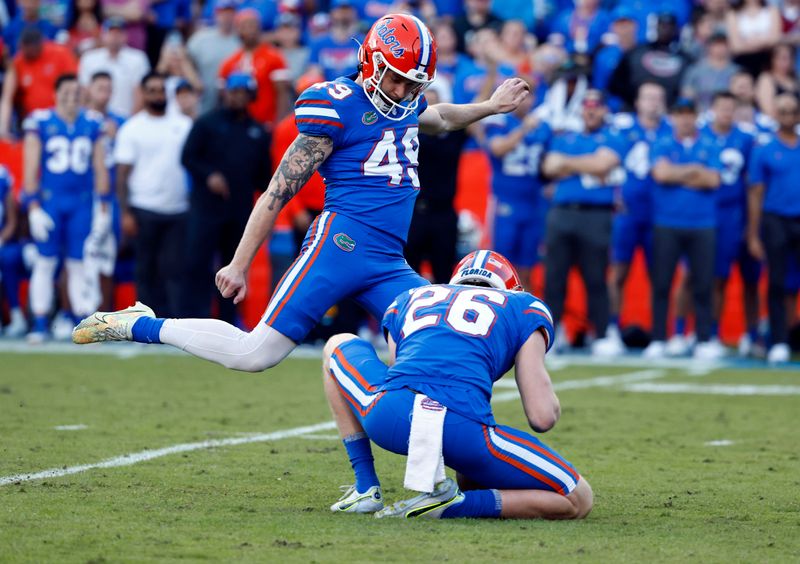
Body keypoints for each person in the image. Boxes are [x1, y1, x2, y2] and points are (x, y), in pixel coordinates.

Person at [73, 14, 530, 376]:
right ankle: (140, 323)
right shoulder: (337, 104)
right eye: (397, 80)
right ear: (371, 64)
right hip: (339, 246)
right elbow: (277, 191)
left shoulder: (406, 102)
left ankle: (397, 465)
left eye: (414, 83)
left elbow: (441, 118)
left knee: (435, 341)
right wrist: (239, 262)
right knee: (255, 354)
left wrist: (490, 106)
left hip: (389, 260)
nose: (405, 91)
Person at [321, 250, 593, 519]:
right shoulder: (524, 306)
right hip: (461, 430)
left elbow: (400, 368)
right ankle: (455, 505)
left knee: (337, 344)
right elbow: (541, 416)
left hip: (388, 418)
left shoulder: (409, 299)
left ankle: (366, 487)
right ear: (510, 288)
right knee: (578, 498)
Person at [21, 73, 111, 342]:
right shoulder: (41, 121)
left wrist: (104, 207)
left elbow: (100, 167)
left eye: (75, 91)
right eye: (66, 91)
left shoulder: (92, 123)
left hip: (81, 203)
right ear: (56, 93)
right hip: (50, 201)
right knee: (45, 261)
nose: (71, 97)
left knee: (79, 263)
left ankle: (81, 321)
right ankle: (39, 321)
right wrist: (33, 206)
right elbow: (30, 167)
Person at [180, 73, 271, 322]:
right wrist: (209, 175)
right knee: (197, 263)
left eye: (242, 93)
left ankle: (227, 322)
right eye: (233, 92)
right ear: (225, 93)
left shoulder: (258, 132)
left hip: (239, 211)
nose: (237, 97)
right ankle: (191, 319)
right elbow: (188, 157)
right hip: (206, 208)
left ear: (250, 96)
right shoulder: (207, 123)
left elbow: (265, 177)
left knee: (234, 267)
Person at [540, 89, 626, 354]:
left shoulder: (613, 136)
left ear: (604, 110)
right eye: (586, 105)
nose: (590, 110)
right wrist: (585, 163)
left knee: (596, 276)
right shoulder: (566, 137)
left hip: (596, 214)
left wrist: (568, 166)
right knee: (555, 277)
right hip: (562, 212)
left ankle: (601, 333)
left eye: (596, 106)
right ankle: (555, 333)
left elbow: (603, 165)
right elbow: (548, 167)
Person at [643, 98, 721, 360]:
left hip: (702, 223)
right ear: (673, 117)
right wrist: (695, 170)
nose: (685, 119)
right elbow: (661, 175)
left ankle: (702, 339)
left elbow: (713, 180)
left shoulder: (709, 143)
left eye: (690, 114)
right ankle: (658, 338)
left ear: (697, 116)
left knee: (702, 282)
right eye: (680, 114)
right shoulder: (662, 142)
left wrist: (679, 174)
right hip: (667, 222)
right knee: (662, 283)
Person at [113, 71, 192, 318]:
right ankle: (145, 323)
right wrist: (125, 213)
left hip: (178, 208)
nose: (158, 94)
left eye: (161, 89)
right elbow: (122, 174)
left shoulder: (183, 124)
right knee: (146, 269)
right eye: (152, 90)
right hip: (144, 207)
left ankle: (173, 322)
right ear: (144, 94)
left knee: (175, 269)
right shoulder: (132, 128)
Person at [607, 82, 671, 352]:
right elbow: (607, 161)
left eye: (658, 98)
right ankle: (610, 328)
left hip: (660, 214)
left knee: (660, 276)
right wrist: (614, 193)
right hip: (628, 212)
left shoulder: (672, 131)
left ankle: (660, 335)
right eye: (648, 97)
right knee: (618, 271)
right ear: (638, 102)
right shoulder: (623, 130)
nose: (653, 103)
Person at [699, 91, 755, 357]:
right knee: (701, 277)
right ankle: (697, 333)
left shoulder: (745, 138)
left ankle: (750, 334)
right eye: (722, 107)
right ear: (713, 108)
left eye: (731, 108)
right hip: (704, 212)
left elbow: (752, 180)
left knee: (745, 276)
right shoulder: (701, 136)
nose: (726, 113)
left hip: (735, 213)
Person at [747, 93, 800, 364]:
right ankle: (779, 340)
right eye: (783, 111)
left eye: (792, 111)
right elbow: (756, 193)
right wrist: (754, 233)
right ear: (776, 115)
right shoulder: (764, 149)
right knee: (777, 281)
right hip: (775, 219)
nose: (788, 116)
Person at [484, 92, 550, 287]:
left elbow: (548, 160)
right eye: (520, 96)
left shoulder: (543, 127)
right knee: (500, 265)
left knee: (528, 265)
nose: (524, 101)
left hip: (534, 202)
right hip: (505, 200)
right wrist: (523, 130)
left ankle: (524, 313)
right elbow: (497, 148)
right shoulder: (499, 123)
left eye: (528, 95)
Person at [404, 82, 467, 284]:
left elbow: (471, 113)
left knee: (445, 275)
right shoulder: (408, 130)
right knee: (407, 275)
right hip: (414, 212)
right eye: (425, 102)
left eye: (434, 102)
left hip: (443, 212)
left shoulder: (454, 134)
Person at [0, 27, 79, 139]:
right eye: (22, 48)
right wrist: (3, 130)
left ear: (39, 44)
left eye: (28, 48)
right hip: (33, 122)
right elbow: (8, 98)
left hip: (60, 116)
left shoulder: (59, 53)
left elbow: (74, 85)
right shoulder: (18, 62)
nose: (24, 51)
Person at [218, 9, 291, 128]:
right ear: (237, 30)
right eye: (244, 26)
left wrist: (279, 125)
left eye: (252, 25)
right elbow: (223, 98)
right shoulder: (229, 62)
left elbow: (283, 94)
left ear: (259, 28)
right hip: (238, 128)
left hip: (267, 125)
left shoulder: (274, 57)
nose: (249, 30)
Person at [609, 12, 692, 109]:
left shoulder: (685, 58)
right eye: (662, 25)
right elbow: (616, 84)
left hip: (672, 112)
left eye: (669, 26)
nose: (665, 29)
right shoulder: (636, 52)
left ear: (676, 30)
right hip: (633, 109)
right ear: (655, 27)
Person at [78, 17, 151, 117]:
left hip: (126, 118)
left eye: (118, 33)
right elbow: (84, 93)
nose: (114, 37)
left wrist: (129, 124)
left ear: (125, 36)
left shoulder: (138, 59)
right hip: (94, 119)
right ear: (103, 35)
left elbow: (141, 95)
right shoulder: (89, 58)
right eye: (111, 33)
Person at [186, 0, 241, 114]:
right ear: (216, 14)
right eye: (223, 13)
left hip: (234, 102)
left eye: (230, 13)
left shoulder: (242, 39)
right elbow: (184, 58)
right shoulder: (202, 38)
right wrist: (194, 79)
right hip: (205, 101)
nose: (227, 17)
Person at [681, 32, 741, 113]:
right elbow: (687, 94)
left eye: (723, 45)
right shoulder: (695, 70)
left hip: (730, 113)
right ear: (709, 47)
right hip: (701, 113)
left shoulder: (737, 71)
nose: (720, 48)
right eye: (716, 45)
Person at [0, 165, 28, 337]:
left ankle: (16, 314)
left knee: (8, 257)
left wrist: (2, 239)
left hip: (4, 240)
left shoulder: (2, 175)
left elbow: (12, 220)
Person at [755, 44, 800, 121]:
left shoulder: (796, 78)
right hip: (775, 125)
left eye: (790, 58)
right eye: (783, 58)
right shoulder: (766, 79)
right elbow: (768, 111)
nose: (787, 62)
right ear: (773, 59)